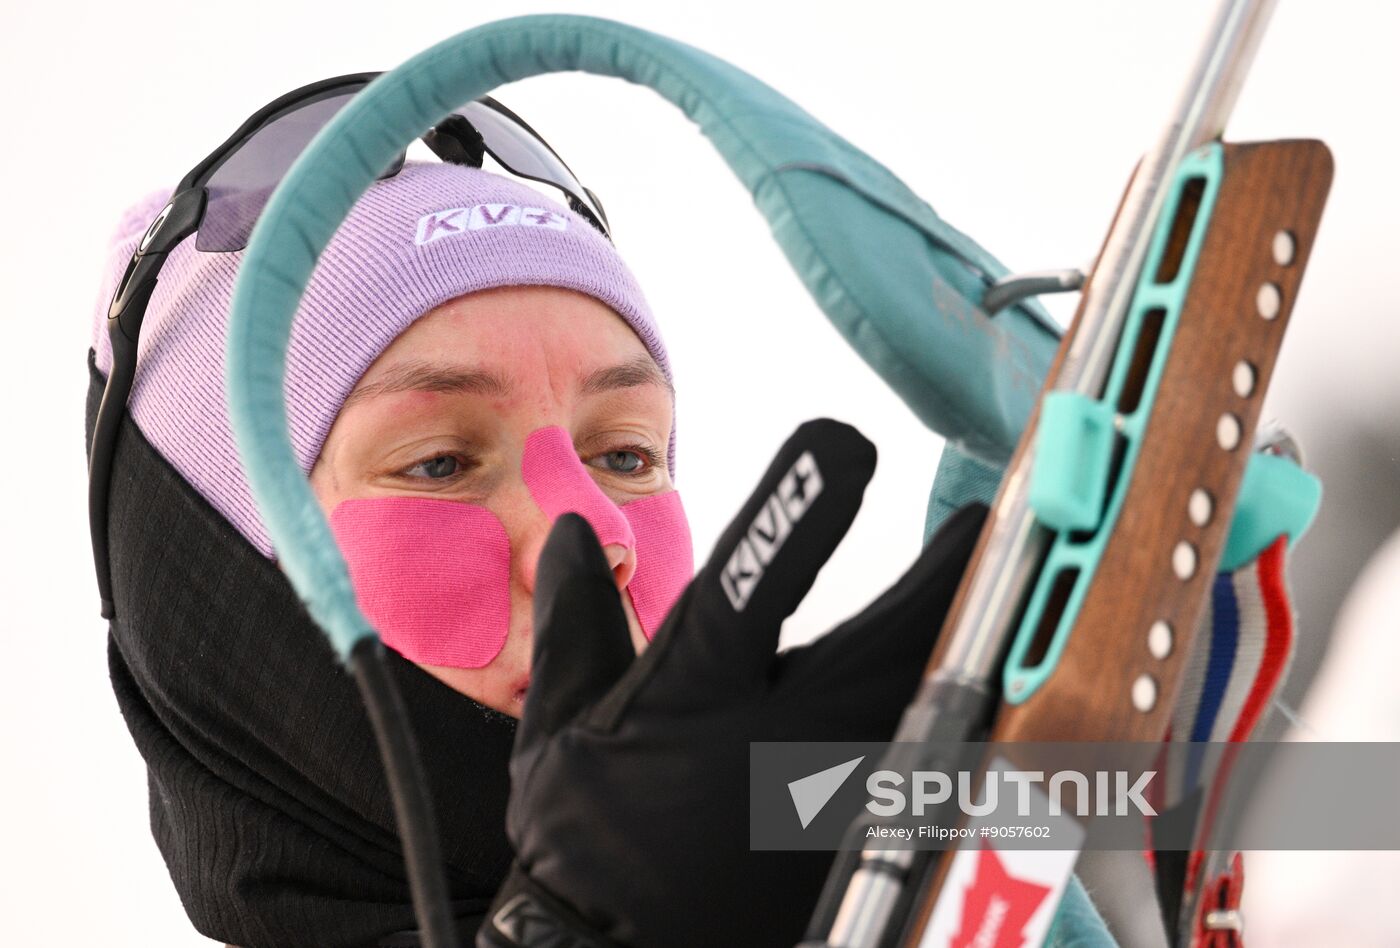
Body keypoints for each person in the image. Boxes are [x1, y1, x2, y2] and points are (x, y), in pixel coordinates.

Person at [88, 154, 1109, 946]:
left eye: (624, 454)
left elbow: (1179, 808)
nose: (597, 539)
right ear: (219, 597)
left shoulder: (827, 812)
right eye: (439, 462)